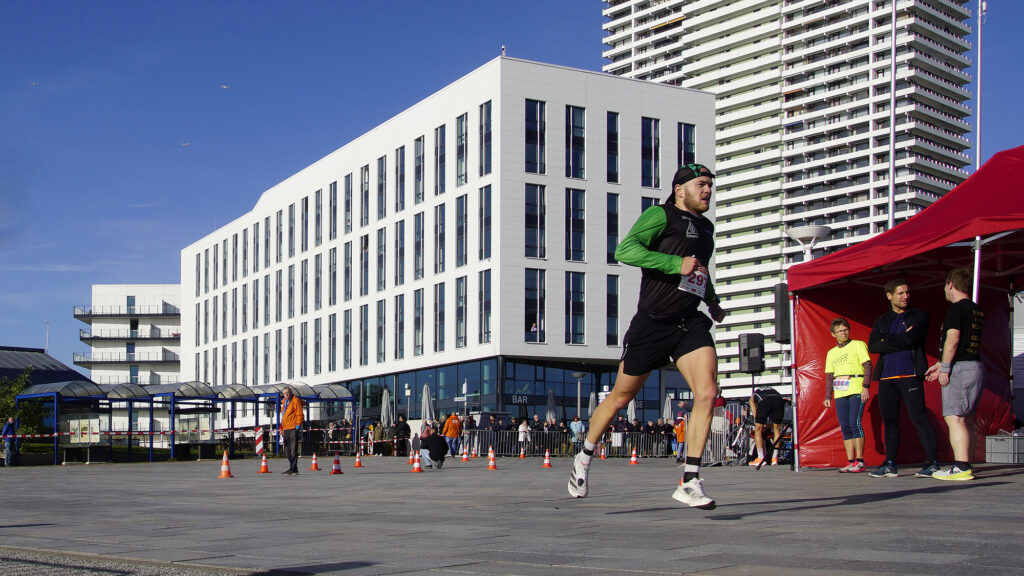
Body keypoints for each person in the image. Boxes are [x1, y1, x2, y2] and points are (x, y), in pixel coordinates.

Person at [568, 164, 726, 509]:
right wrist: (673, 264)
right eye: (701, 185)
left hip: (689, 322)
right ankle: (584, 456)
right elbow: (626, 250)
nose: (708, 191)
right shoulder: (660, 215)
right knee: (620, 398)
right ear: (679, 189)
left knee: (708, 392)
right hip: (652, 323)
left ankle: (690, 478)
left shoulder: (707, 226)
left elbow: (698, 267)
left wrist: (712, 301)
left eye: (711, 186)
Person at [868, 278, 939, 478]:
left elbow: (912, 339)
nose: (905, 296)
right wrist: (898, 340)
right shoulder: (882, 320)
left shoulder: (918, 316)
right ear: (889, 295)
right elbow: (873, 346)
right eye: (900, 293)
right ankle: (890, 464)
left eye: (907, 292)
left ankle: (932, 462)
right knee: (889, 421)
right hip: (886, 377)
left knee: (919, 417)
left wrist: (887, 339)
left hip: (910, 374)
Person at [925, 268, 986, 481]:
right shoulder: (976, 310)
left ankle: (961, 467)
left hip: (961, 368)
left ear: (951, 284)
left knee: (954, 417)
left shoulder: (956, 309)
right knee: (967, 418)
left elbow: (953, 339)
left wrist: (946, 367)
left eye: (945, 285)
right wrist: (941, 364)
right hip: (975, 366)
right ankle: (967, 464)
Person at [823, 318, 872, 473]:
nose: (843, 333)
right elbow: (829, 375)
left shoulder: (858, 345)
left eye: (845, 330)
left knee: (854, 423)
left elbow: (868, 365)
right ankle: (850, 461)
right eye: (840, 331)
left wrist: (865, 387)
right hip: (840, 390)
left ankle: (860, 460)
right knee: (845, 426)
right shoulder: (831, 353)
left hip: (856, 386)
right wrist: (827, 396)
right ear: (833, 334)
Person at [748, 386, 784, 467]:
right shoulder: (773, 390)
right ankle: (775, 458)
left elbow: (755, 415)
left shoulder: (753, 395)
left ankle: (760, 458)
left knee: (758, 429)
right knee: (777, 429)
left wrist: (761, 420)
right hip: (779, 400)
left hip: (765, 401)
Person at [280, 386, 304, 475]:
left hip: (293, 428)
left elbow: (299, 414)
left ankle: (293, 468)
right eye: (284, 393)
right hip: (286, 429)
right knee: (287, 450)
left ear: (290, 393)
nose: (286, 394)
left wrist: (298, 426)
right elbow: (283, 417)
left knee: (293, 450)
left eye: (288, 392)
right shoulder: (284, 403)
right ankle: (294, 468)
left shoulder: (295, 401)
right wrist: (281, 429)